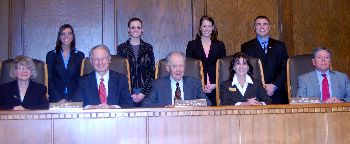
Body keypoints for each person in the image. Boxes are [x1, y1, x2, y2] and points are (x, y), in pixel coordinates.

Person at [241, 15, 289, 104]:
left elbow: (285, 69)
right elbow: (245, 70)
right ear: (254, 28)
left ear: (269, 27)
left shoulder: (280, 46)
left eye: (265, 24)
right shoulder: (246, 47)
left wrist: (274, 85)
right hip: (255, 94)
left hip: (278, 93)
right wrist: (260, 87)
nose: (262, 27)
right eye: (259, 24)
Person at [142, 51, 211, 107]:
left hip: (189, 120)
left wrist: (187, 105)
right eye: (174, 66)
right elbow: (146, 104)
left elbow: (207, 103)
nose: (178, 70)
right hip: (166, 120)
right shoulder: (158, 84)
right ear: (168, 68)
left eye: (181, 66)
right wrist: (167, 106)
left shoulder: (194, 83)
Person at [186, 15, 226, 106]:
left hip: (215, 87)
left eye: (209, 26)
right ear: (200, 28)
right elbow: (190, 68)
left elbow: (223, 68)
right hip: (197, 87)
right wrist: (200, 85)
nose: (207, 29)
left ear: (213, 28)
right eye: (204, 26)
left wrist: (216, 84)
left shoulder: (220, 45)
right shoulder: (192, 44)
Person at [117, 18, 155, 107]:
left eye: (138, 27)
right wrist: (131, 92)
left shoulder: (148, 47)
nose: (136, 30)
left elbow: (151, 71)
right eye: (133, 27)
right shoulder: (121, 48)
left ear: (142, 30)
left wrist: (143, 93)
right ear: (128, 30)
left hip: (146, 92)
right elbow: (121, 73)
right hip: (127, 91)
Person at [46, 24, 85, 103]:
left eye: (69, 33)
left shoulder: (80, 55)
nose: (66, 36)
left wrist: (74, 99)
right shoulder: (51, 55)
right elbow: (49, 80)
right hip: (56, 98)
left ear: (73, 36)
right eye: (63, 34)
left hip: (74, 99)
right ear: (59, 37)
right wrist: (58, 99)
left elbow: (81, 80)